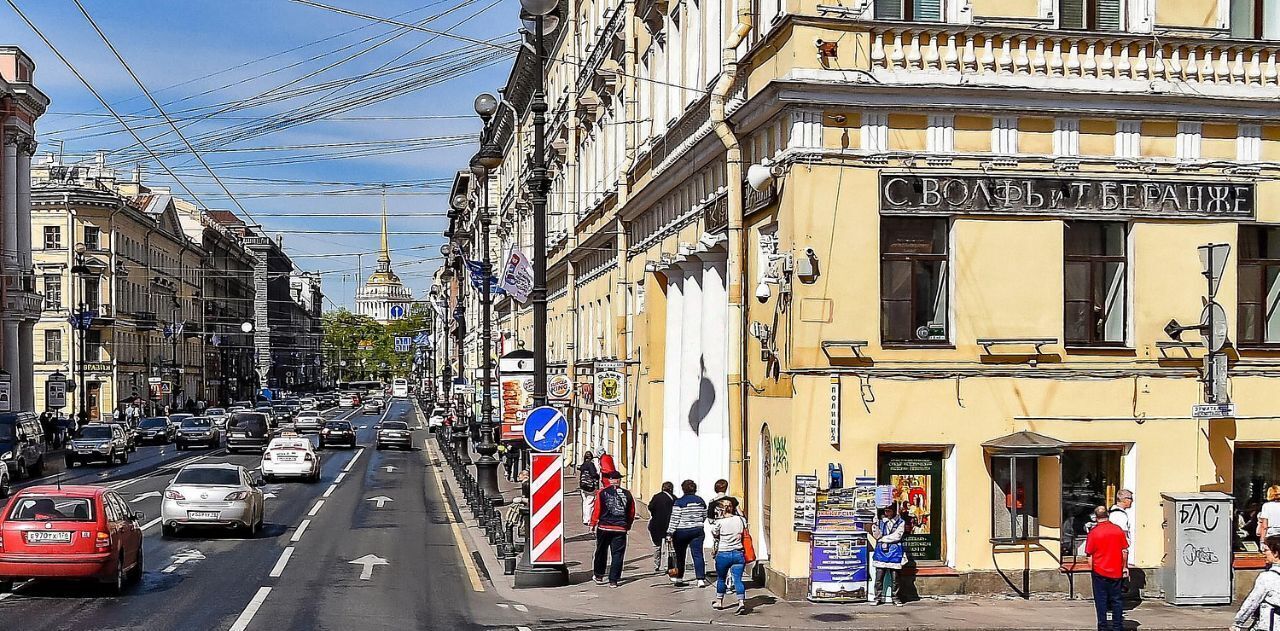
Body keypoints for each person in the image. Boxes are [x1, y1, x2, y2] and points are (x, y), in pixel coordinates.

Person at [1086, 505, 1129, 631]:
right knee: (1117, 600)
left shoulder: (1094, 533)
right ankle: (1118, 626)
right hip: (1116, 570)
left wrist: (1091, 570)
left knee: (1101, 601)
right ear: (1108, 515)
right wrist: (1124, 567)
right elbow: (1124, 551)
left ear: (1096, 517)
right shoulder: (1117, 530)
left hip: (1099, 571)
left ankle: (1103, 626)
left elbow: (1089, 555)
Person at [589, 470, 635, 588]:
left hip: (604, 527)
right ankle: (613, 580)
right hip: (620, 528)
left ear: (609, 480)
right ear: (619, 480)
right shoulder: (627, 494)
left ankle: (599, 575)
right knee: (617, 554)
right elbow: (631, 512)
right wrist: (627, 525)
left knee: (601, 551)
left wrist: (593, 523)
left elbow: (597, 509)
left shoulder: (602, 493)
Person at [710, 498, 750, 615]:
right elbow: (744, 530)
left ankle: (719, 602)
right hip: (738, 553)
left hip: (723, 554)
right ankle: (741, 602)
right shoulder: (740, 519)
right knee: (738, 580)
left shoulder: (719, 522)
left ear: (721, 510)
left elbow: (715, 534)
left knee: (721, 579)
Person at [667, 479, 709, 588]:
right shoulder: (701, 501)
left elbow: (675, 518)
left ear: (683, 489)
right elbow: (704, 515)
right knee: (698, 554)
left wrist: (670, 532)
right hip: (697, 530)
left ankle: (679, 578)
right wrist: (698, 523)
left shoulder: (679, 502)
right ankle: (700, 579)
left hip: (681, 531)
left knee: (680, 555)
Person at [1233, 535, 1280, 630]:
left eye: (1266, 550)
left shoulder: (1268, 577)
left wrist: (1238, 623)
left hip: (1270, 625)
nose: (1263, 553)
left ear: (1276, 553)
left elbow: (1252, 602)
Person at [871, 505, 907, 606]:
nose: (887, 513)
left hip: (895, 551)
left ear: (894, 511)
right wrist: (875, 527)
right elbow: (877, 535)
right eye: (886, 511)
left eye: (889, 511)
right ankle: (877, 597)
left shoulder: (900, 522)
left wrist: (882, 539)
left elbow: (897, 536)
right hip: (881, 552)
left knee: (895, 578)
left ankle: (895, 597)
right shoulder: (881, 522)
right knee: (879, 577)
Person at [648, 482, 676, 574]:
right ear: (671, 489)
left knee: (657, 546)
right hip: (670, 525)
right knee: (670, 547)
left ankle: (657, 565)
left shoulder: (657, 497)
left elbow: (650, 507)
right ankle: (669, 566)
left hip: (656, 524)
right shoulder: (674, 498)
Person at [579, 451, 600, 527]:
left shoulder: (583, 465)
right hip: (590, 486)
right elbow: (593, 474)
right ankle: (588, 520)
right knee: (590, 502)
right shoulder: (590, 464)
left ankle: (585, 518)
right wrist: (598, 476)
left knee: (585, 502)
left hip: (583, 486)